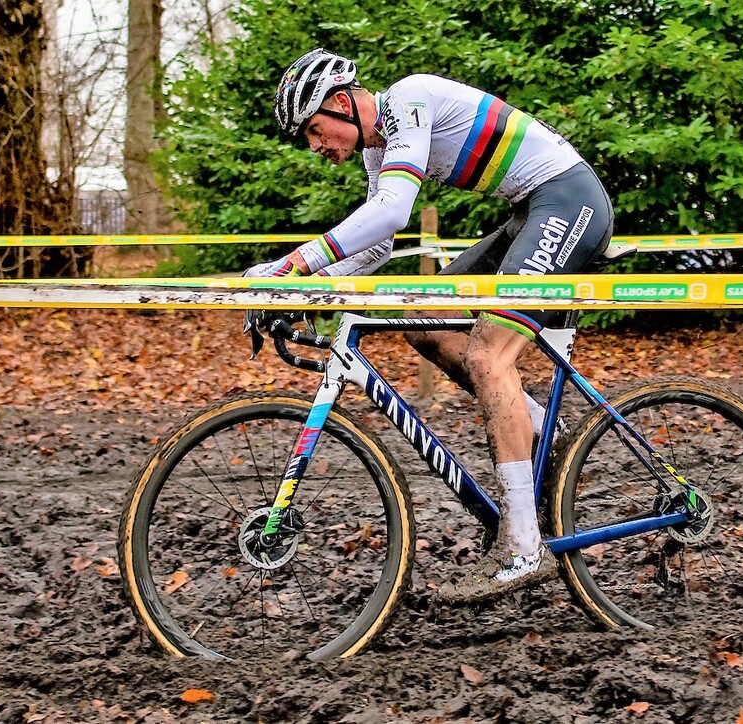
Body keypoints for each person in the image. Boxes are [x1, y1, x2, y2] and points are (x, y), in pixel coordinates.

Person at [245, 49, 614, 602]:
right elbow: (378, 245)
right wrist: (301, 285)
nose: (316, 147)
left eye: (316, 131)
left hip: (567, 200)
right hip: (528, 211)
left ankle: (523, 545)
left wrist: (297, 262)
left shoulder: (408, 98)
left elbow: (392, 212)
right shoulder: (381, 150)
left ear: (343, 103)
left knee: (490, 357)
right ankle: (542, 427)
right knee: (419, 319)